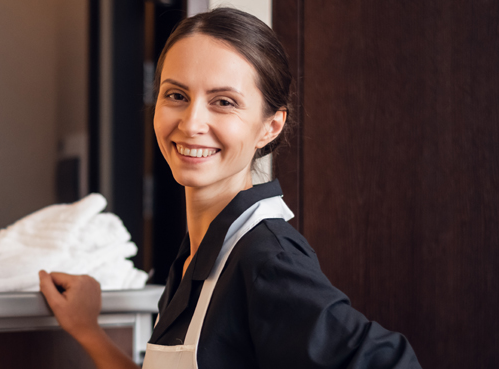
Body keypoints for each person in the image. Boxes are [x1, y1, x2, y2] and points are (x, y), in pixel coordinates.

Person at [38, 8, 421, 369]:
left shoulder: (267, 260)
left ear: (270, 126)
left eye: (224, 102)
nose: (191, 123)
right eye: (176, 96)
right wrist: (88, 331)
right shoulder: (203, 253)